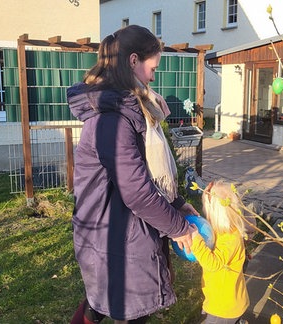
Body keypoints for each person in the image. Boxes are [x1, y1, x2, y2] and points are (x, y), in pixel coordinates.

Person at [67, 24, 198, 324]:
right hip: (111, 234)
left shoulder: (127, 110)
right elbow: (137, 191)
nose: (153, 76)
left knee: (100, 299)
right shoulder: (112, 119)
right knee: (126, 308)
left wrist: (176, 204)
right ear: (133, 61)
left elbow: (145, 170)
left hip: (114, 232)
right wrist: (179, 227)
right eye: (152, 68)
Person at [190, 180, 250, 324]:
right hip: (221, 301)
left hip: (224, 308)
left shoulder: (230, 238)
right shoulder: (222, 232)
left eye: (208, 211)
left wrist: (196, 240)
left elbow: (213, 263)